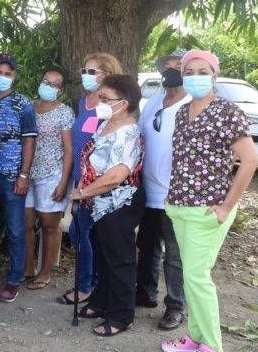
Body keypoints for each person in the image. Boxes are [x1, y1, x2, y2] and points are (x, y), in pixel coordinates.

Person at [161, 50, 258, 352]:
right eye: (189, 72)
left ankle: (213, 348)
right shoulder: (181, 112)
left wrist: (226, 207)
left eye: (203, 71)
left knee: (196, 277)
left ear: (215, 75)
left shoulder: (227, 111)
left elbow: (250, 161)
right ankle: (197, 336)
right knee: (190, 277)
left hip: (208, 209)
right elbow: (183, 159)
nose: (195, 77)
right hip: (179, 206)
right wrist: (172, 197)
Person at [69, 74, 146, 337]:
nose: (98, 101)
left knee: (119, 260)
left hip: (119, 203)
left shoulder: (128, 132)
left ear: (123, 104)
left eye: (104, 98)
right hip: (99, 203)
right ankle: (101, 301)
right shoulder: (107, 123)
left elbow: (116, 175)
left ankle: (121, 315)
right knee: (103, 255)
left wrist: (83, 192)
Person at [58, 52, 124, 305]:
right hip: (80, 178)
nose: (86, 76)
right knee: (83, 233)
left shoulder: (112, 107)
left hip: (99, 181)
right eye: (84, 71)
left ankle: (85, 286)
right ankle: (94, 281)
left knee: (82, 231)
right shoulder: (83, 102)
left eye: (92, 72)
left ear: (108, 74)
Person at [135, 49, 190, 329]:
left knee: (175, 254)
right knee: (147, 247)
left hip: (177, 192)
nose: (171, 71)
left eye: (178, 66)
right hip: (149, 189)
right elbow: (141, 138)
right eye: (166, 66)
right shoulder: (153, 102)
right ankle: (145, 293)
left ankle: (176, 306)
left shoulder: (194, 103)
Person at [0, 53, 36, 303]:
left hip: (12, 176)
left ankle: (14, 278)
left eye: (8, 73)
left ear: (14, 76)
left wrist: (24, 174)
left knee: (15, 230)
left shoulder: (22, 104)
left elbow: (29, 140)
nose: (2, 77)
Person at [24, 69, 74, 290]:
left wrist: (63, 182)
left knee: (49, 225)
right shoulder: (29, 107)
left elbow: (69, 150)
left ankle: (45, 273)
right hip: (27, 173)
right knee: (25, 223)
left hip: (52, 174)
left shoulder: (65, 113)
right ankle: (27, 268)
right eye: (46, 81)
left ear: (60, 91)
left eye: (54, 84)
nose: (48, 86)